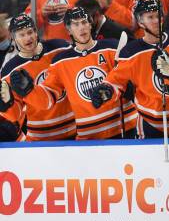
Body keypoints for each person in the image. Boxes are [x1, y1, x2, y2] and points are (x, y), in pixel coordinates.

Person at [6, 7, 137, 140]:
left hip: (122, 127)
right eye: (76, 24)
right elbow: (47, 98)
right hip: (76, 136)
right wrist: (30, 91)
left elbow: (130, 78)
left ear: (90, 24)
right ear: (68, 30)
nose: (82, 28)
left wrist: (128, 87)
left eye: (84, 22)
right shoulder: (59, 61)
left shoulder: (110, 47)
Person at [90, 0, 169, 138]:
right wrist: (106, 89)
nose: (156, 20)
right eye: (150, 17)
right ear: (140, 22)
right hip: (151, 125)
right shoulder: (131, 52)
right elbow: (116, 81)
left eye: (158, 16)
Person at [0, 14, 74, 141]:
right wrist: (6, 105)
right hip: (40, 138)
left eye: (30, 32)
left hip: (75, 129)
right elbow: (15, 114)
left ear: (35, 32)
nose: (27, 38)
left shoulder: (60, 47)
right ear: (13, 38)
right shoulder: (10, 69)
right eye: (21, 35)